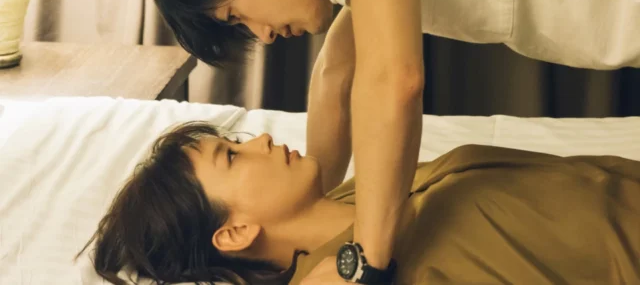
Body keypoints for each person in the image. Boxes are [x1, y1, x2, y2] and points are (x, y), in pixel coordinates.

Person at [138, 0, 640, 282]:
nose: (263, 35)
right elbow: (337, 73)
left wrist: (363, 267)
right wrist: (315, 202)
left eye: (236, 15)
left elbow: (394, 81)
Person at [81, 121, 640, 285]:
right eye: (232, 156)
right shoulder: (338, 275)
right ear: (233, 233)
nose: (261, 140)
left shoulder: (352, 197)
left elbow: (340, 70)